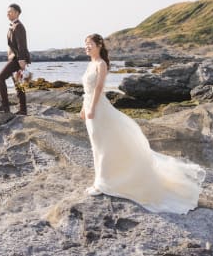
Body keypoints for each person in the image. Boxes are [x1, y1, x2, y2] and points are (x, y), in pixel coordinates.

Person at [80, 33, 205, 213]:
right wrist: (84, 107)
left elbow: (99, 89)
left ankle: (101, 183)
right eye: (85, 44)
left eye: (89, 44)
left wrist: (92, 108)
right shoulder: (90, 64)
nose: (87, 47)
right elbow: (88, 90)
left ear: (99, 45)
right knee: (96, 145)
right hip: (90, 105)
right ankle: (99, 180)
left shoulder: (101, 64)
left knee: (103, 145)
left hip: (99, 108)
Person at [0, 3, 31, 115]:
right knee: (19, 84)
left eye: (10, 11)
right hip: (14, 58)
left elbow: (21, 45)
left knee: (0, 78)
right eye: (7, 12)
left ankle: (5, 106)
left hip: (18, 59)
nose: (8, 14)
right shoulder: (13, 26)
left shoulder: (18, 26)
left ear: (17, 13)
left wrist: (22, 60)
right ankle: (23, 110)